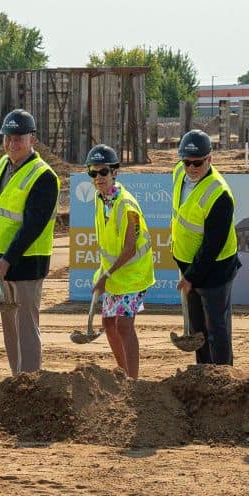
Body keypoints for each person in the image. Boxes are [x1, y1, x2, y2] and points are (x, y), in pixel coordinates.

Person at [0, 109, 58, 374]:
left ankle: (29, 382)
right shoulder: (3, 165)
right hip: (2, 257)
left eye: (18, 138)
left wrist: (8, 258)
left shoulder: (44, 177)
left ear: (33, 140)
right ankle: (16, 378)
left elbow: (33, 226)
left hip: (27, 261)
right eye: (8, 138)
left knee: (26, 326)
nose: (11, 144)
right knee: (10, 324)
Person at [172, 128, 239, 366]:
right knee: (198, 329)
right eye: (186, 162)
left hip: (215, 270)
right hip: (190, 266)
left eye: (197, 163)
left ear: (210, 158)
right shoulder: (180, 174)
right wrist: (185, 269)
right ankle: (203, 375)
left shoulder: (219, 195)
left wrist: (191, 277)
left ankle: (223, 377)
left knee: (216, 328)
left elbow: (212, 246)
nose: (191, 168)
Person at [86, 144, 153, 378]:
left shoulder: (128, 206)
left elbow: (129, 248)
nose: (98, 178)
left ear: (115, 172)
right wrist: (104, 272)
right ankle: (123, 373)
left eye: (103, 172)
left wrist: (106, 275)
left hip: (133, 275)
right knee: (108, 323)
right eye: (93, 173)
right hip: (114, 274)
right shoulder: (99, 199)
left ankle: (133, 384)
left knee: (124, 326)